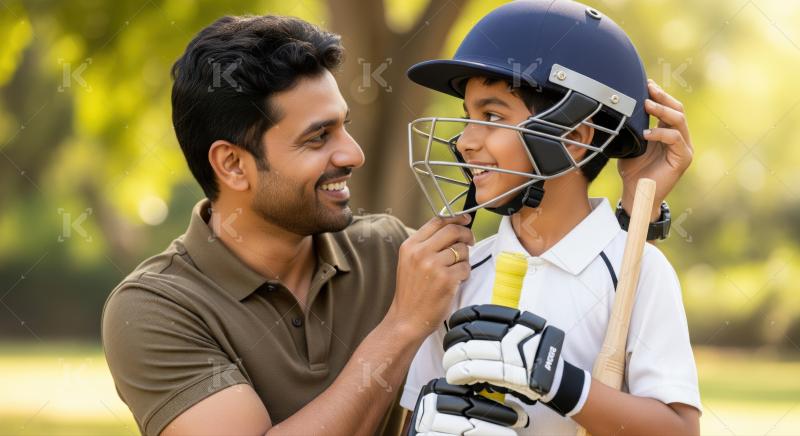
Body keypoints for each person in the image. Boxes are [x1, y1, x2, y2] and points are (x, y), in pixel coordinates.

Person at [101, 11, 689, 436]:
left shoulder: (401, 254)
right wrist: (404, 324)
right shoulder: (155, 309)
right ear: (232, 164)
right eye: (318, 138)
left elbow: (566, 258)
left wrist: (640, 212)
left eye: (344, 125)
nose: (353, 154)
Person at [401, 1, 700, 435]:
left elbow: (680, 430)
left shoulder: (638, 271)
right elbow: (415, 412)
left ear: (573, 139)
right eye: (468, 118)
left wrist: (563, 382)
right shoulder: (457, 274)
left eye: (492, 116)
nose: (465, 141)